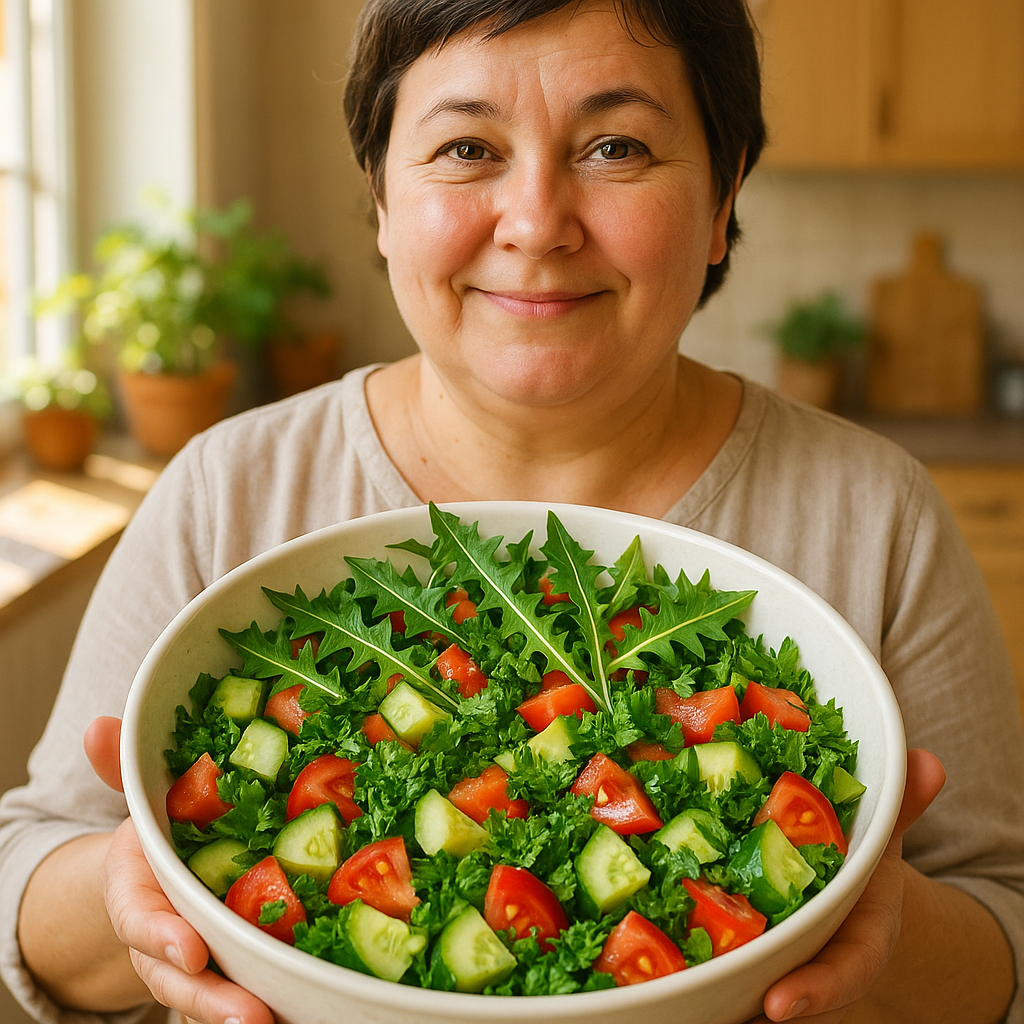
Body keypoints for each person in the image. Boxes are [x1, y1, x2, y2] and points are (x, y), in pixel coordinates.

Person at [2, 1, 1022, 1022]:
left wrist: (872, 932)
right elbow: (25, 876)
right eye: (466, 147)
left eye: (616, 146)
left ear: (723, 197)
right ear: (382, 201)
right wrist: (132, 896)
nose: (536, 222)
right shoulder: (227, 490)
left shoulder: (876, 514)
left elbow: (1001, 922)